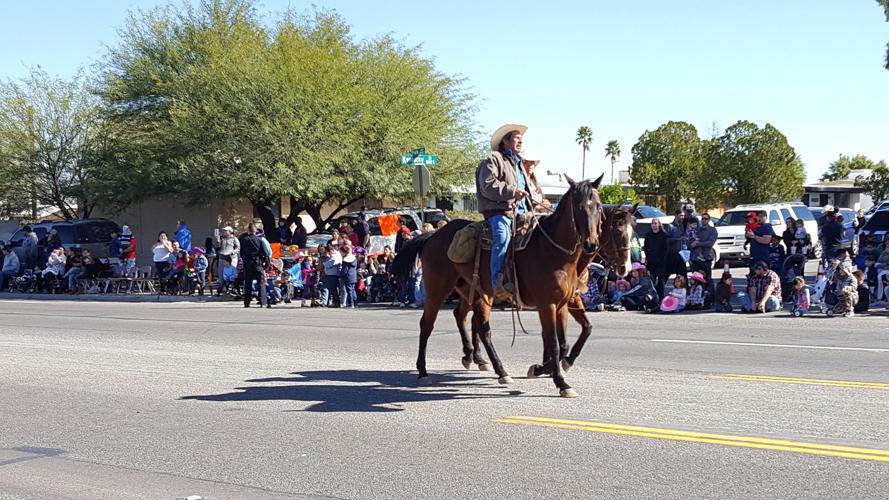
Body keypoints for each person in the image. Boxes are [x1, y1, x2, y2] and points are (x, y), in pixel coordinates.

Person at [476, 123, 531, 299]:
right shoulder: (493, 159)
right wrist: (511, 192)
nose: (520, 141)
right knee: (502, 236)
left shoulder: (519, 164)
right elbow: (488, 185)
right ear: (505, 141)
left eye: (521, 138)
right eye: (516, 138)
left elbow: (526, 188)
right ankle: (497, 282)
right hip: (500, 212)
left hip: (523, 212)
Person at [238, 223, 270, 308]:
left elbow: (241, 253)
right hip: (258, 263)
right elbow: (266, 254)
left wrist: (245, 260)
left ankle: (247, 302)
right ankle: (263, 302)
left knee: (248, 283)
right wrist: (266, 264)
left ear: (248, 230)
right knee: (261, 283)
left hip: (248, 263)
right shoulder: (260, 240)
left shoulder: (244, 240)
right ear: (255, 231)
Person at [643, 218, 669, 299]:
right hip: (651, 261)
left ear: (659, 224)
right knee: (651, 280)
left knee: (661, 280)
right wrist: (647, 258)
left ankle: (661, 297)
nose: (654, 225)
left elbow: (666, 249)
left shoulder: (664, 235)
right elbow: (646, 247)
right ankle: (653, 297)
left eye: (655, 223)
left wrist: (662, 259)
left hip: (661, 262)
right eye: (653, 223)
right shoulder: (648, 235)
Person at [690, 213, 717, 281]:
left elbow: (710, 243)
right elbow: (691, 240)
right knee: (695, 279)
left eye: (706, 219)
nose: (704, 220)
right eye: (702, 219)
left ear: (709, 220)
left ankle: (708, 291)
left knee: (707, 279)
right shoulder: (697, 230)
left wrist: (698, 243)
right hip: (696, 259)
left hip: (706, 257)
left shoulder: (712, 230)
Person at [322, 243, 342, 307]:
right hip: (330, 274)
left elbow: (330, 264)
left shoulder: (335, 256)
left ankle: (336, 302)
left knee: (333, 289)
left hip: (333, 275)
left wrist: (324, 264)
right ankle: (334, 302)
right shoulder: (332, 256)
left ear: (331, 250)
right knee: (331, 289)